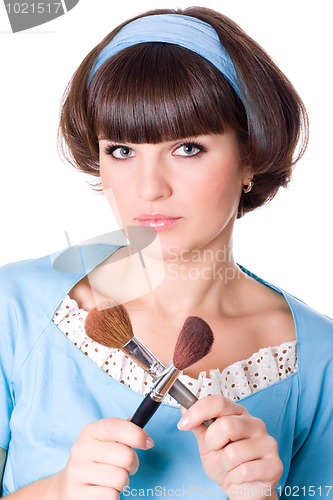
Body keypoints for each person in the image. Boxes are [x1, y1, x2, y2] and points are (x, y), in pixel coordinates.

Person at [0, 6, 332, 500]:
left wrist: (261, 497)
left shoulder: (320, 361)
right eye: (122, 150)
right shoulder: (16, 308)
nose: (149, 188)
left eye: (188, 148)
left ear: (249, 158)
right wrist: (57, 491)